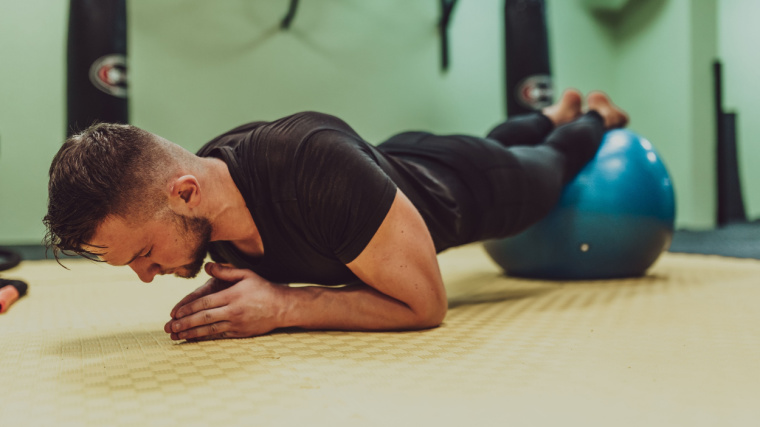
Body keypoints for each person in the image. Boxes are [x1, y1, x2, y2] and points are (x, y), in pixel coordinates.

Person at [43, 90, 628, 341]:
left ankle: (592, 117)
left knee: (548, 166)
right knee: (500, 139)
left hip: (468, 187)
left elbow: (426, 304)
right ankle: (549, 111)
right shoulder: (203, 189)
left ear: (187, 194)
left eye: (143, 253)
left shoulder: (308, 162)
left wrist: (282, 305)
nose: (145, 275)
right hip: (398, 159)